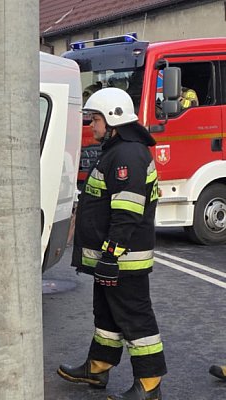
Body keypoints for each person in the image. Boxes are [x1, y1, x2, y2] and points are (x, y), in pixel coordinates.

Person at [57, 88, 165, 400]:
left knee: (135, 318)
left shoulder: (128, 155)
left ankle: (149, 384)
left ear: (113, 119)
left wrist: (111, 254)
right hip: (114, 258)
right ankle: (98, 367)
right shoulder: (118, 150)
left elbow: (127, 212)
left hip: (123, 260)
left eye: (95, 118)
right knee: (106, 315)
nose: (91, 124)